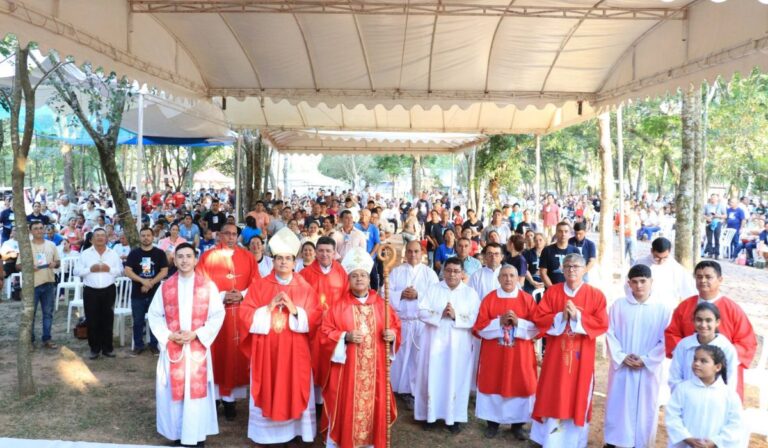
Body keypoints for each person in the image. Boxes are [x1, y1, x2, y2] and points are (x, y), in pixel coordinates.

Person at [238, 227, 321, 445]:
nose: (283, 262)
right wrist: (267, 308)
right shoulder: (260, 285)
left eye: (288, 258)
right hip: (268, 351)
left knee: (295, 386)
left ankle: (296, 430)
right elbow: (245, 314)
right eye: (279, 258)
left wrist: (296, 311)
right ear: (272, 260)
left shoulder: (304, 288)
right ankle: (267, 435)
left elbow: (315, 318)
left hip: (296, 353)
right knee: (269, 386)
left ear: (295, 262)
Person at [319, 246, 401, 448]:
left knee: (375, 406)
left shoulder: (382, 305)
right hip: (348, 373)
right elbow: (325, 333)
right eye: (354, 275)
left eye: (363, 275)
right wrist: (344, 336)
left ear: (368, 278)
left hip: (377, 371)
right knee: (348, 405)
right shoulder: (338, 307)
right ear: (348, 279)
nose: (359, 279)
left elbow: (396, 327)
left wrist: (393, 336)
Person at [147, 243, 224, 447]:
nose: (184, 260)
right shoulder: (165, 286)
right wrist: (169, 335)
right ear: (174, 259)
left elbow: (217, 315)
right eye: (180, 256)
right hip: (174, 348)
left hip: (196, 348)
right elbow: (154, 315)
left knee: (195, 395)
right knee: (174, 392)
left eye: (188, 256)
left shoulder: (207, 286)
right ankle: (178, 433)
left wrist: (197, 334)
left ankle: (196, 436)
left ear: (195, 259)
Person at [530, 253, 609, 447]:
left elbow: (602, 323)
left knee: (578, 395)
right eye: (567, 266)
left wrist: (578, 318)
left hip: (582, 357)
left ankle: (574, 441)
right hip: (556, 356)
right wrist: (560, 317)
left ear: (584, 270)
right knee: (552, 392)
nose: (572, 270)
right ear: (562, 270)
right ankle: (548, 439)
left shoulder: (595, 295)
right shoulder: (553, 292)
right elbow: (539, 317)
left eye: (576, 266)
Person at [665, 260, 756, 401]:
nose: (703, 280)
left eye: (708, 277)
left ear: (720, 280)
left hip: (721, 373)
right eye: (699, 277)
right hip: (691, 369)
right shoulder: (685, 307)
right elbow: (672, 334)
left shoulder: (733, 309)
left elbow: (747, 342)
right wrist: (686, 353)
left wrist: (721, 357)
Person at [603, 264, 672, 448]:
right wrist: (621, 356)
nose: (639, 286)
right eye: (635, 282)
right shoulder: (619, 306)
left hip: (648, 369)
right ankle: (614, 441)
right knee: (619, 404)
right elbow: (610, 333)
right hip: (623, 367)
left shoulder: (662, 309)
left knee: (646, 408)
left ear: (651, 282)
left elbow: (665, 339)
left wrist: (646, 359)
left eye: (643, 281)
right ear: (629, 283)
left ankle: (640, 443)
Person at [196, 222, 258, 420]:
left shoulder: (248, 257)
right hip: (215, 315)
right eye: (227, 234)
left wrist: (241, 294)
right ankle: (214, 399)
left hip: (240, 314)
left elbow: (257, 284)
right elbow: (200, 283)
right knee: (216, 357)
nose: (231, 237)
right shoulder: (208, 257)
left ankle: (230, 402)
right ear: (220, 235)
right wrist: (222, 295)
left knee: (234, 357)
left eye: (234, 234)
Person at [413, 257, 480, 433]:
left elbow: (476, 318)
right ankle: (430, 416)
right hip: (433, 342)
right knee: (432, 377)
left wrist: (456, 316)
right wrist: (439, 314)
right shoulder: (433, 289)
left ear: (462, 274)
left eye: (456, 271)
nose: (452, 274)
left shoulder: (470, 293)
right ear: (443, 271)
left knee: (456, 378)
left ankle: (455, 417)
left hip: (458, 345)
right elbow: (420, 311)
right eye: (449, 270)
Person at [472, 264, 538, 440]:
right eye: (504, 275)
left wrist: (520, 323)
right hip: (494, 355)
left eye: (512, 275)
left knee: (520, 384)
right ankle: (492, 423)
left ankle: (517, 425)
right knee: (493, 383)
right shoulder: (489, 299)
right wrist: (498, 322)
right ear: (499, 278)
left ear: (518, 278)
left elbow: (537, 328)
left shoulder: (527, 299)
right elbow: (479, 327)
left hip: (520, 355)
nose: (508, 279)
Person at [299, 236, 350, 410]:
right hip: (312, 328)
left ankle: (331, 402)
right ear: (315, 252)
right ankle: (314, 405)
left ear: (335, 252)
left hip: (334, 328)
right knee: (313, 365)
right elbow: (299, 299)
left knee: (331, 364)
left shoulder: (341, 272)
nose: (324, 254)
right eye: (320, 250)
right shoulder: (305, 274)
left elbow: (347, 298)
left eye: (328, 251)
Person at [387, 240, 439, 407]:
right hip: (402, 322)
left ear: (422, 252)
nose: (413, 254)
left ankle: (413, 391)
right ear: (405, 253)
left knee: (417, 359)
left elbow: (435, 297)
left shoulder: (429, 273)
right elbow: (385, 292)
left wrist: (417, 295)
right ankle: (396, 389)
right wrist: (401, 294)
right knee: (400, 357)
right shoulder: (396, 272)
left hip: (420, 323)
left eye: (416, 251)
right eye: (409, 251)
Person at [664, 345, 746, 448]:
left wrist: (715, 442)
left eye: (703, 361)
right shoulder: (683, 389)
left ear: (718, 367)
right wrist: (687, 438)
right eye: (695, 359)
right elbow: (672, 416)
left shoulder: (729, 394)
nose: (696, 364)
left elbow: (735, 423)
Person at [74, 227, 123, 360]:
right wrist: (90, 269)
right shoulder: (85, 254)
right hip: (91, 290)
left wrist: (109, 269)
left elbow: (120, 271)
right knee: (92, 320)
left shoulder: (112, 253)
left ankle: (108, 348)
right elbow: (76, 271)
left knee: (108, 319)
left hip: (108, 290)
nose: (100, 238)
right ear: (92, 239)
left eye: (103, 235)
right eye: (97, 236)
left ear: (106, 238)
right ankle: (94, 348)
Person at [669, 302, 739, 394]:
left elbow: (730, 381)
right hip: (686, 400)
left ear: (717, 322)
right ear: (693, 321)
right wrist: (683, 398)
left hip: (715, 401)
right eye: (699, 320)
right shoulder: (684, 345)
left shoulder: (726, 348)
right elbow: (675, 376)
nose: (703, 325)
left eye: (708, 320)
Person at [124, 227, 169, 355]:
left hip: (155, 294)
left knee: (155, 320)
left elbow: (164, 271)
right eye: (143, 235)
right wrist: (142, 281)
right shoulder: (134, 253)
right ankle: (138, 345)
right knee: (138, 320)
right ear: (140, 237)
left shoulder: (159, 253)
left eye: (148, 235)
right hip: (137, 294)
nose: (146, 238)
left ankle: (154, 344)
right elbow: (127, 271)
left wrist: (150, 283)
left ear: (152, 236)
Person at [21, 221, 61, 349]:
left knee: (48, 313)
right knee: (30, 314)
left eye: (41, 228)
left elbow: (58, 261)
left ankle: (47, 339)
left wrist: (55, 264)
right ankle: (30, 341)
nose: (39, 230)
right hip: (32, 285)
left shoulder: (51, 245)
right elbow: (17, 265)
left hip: (49, 283)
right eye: (36, 228)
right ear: (31, 231)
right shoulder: (26, 246)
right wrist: (29, 266)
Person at [629, 237, 696, 310]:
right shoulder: (640, 263)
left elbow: (689, 292)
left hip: (668, 309)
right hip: (644, 308)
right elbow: (629, 286)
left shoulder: (676, 268)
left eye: (665, 258)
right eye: (657, 258)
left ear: (669, 252)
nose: (661, 261)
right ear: (651, 251)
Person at [539, 221, 579, 287]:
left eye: (566, 231)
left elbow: (578, 272)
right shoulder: (547, 250)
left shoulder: (575, 251)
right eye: (560, 231)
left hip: (570, 290)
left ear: (570, 234)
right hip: (551, 290)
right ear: (556, 233)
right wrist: (552, 289)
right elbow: (543, 273)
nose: (563, 234)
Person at [704, 194, 727, 259]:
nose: (713, 199)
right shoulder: (706, 206)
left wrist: (717, 216)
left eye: (714, 198)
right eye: (712, 198)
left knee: (717, 238)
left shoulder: (721, 206)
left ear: (717, 199)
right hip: (709, 222)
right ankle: (710, 253)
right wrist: (707, 218)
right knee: (709, 239)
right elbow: (703, 214)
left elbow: (725, 215)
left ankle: (717, 253)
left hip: (717, 222)